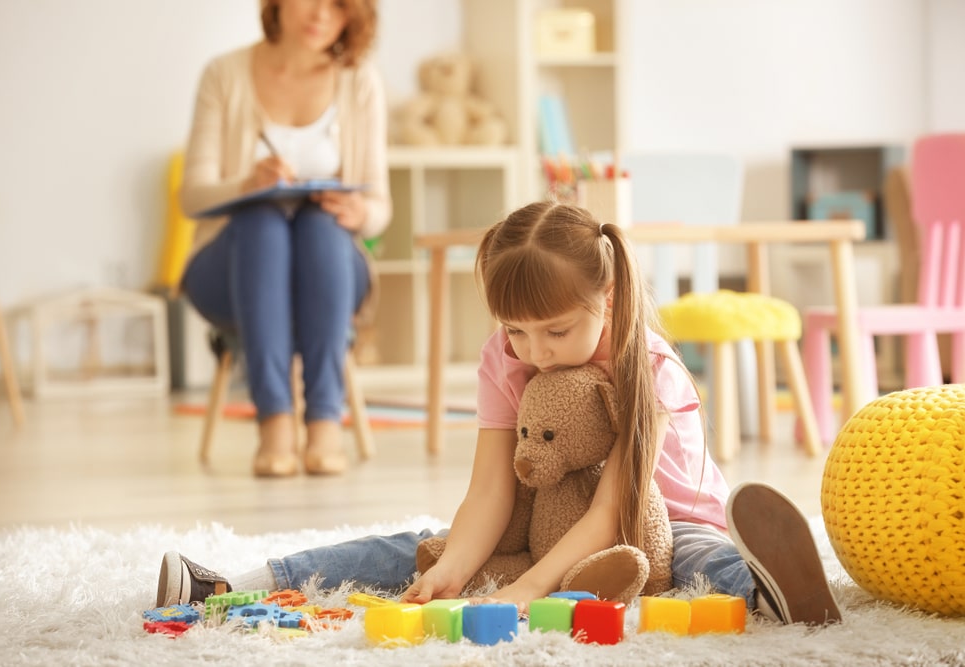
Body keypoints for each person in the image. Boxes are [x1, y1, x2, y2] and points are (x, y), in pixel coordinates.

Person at [156, 202, 841, 626]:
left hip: (659, 520)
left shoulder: (645, 364)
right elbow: (491, 487)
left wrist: (530, 586)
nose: (534, 351)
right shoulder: (504, 357)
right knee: (425, 546)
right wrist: (456, 565)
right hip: (544, 522)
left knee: (697, 557)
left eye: (557, 330)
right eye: (516, 330)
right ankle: (230, 582)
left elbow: (611, 513)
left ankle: (769, 589)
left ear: (608, 295)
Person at [177, 0, 391, 478]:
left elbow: (381, 208)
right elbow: (191, 197)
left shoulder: (360, 81)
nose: (320, 13)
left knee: (319, 222)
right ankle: (275, 421)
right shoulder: (224, 74)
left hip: (330, 264)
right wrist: (246, 185)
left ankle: (323, 423)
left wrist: (361, 211)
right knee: (262, 220)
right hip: (230, 268)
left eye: (337, 6)